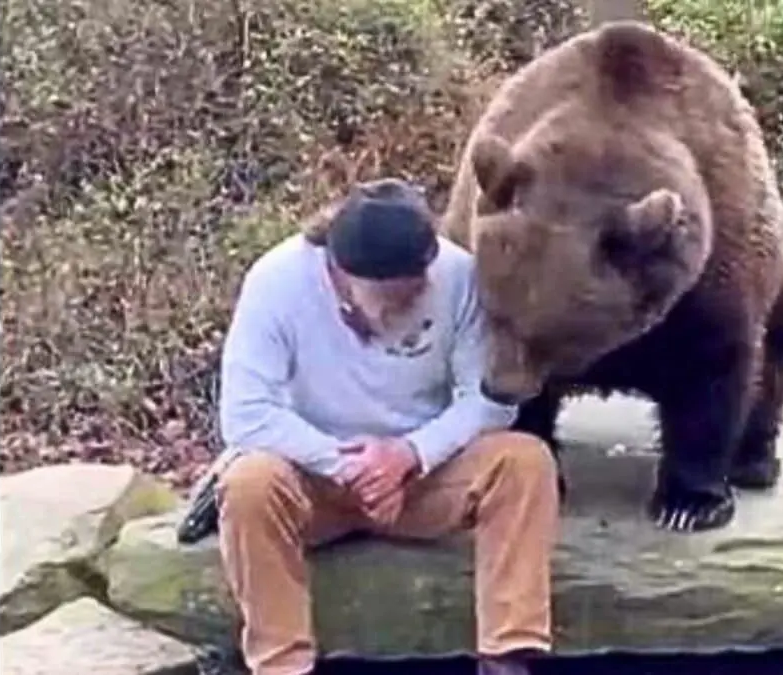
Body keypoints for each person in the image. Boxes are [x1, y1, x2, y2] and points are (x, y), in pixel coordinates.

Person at [210, 177, 561, 675]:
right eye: (397, 297)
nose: (415, 300)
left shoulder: (457, 275)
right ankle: (281, 663)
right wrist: (349, 467)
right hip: (315, 477)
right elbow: (246, 414)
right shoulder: (276, 282)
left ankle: (507, 655)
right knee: (248, 485)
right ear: (342, 274)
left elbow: (488, 401)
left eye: (420, 286)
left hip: (423, 476)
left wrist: (409, 455)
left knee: (524, 461)